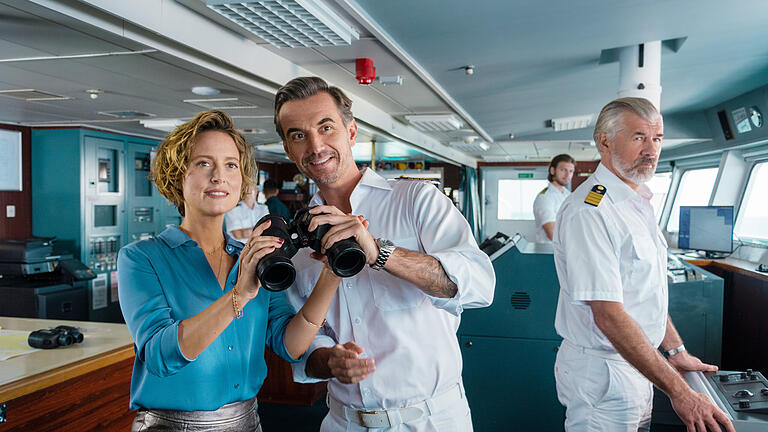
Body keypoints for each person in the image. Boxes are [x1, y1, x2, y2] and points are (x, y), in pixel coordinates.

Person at [273, 76, 495, 431]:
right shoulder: (299, 244)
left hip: (432, 420)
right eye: (298, 135)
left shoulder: (416, 201)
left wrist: (380, 253)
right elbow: (305, 348)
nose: (315, 146)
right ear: (288, 149)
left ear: (351, 131)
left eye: (326, 127)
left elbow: (478, 286)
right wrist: (328, 360)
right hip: (344, 422)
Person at [117, 110, 342, 431]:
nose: (219, 176)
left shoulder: (252, 258)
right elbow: (159, 356)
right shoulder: (141, 258)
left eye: (231, 165)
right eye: (203, 163)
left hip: (248, 422)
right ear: (176, 176)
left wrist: (331, 276)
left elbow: (290, 344)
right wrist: (238, 295)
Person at [552, 98, 734, 432]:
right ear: (604, 141)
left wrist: (675, 350)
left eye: (658, 138)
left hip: (636, 364)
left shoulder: (638, 203)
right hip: (604, 372)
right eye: (639, 137)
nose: (651, 149)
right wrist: (681, 392)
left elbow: (642, 292)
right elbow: (608, 314)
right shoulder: (591, 211)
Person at [532, 154, 575, 242]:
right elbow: (552, 233)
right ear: (552, 170)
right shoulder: (544, 197)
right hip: (550, 251)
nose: (568, 175)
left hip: (567, 249)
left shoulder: (568, 195)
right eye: (563, 170)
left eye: (571, 171)